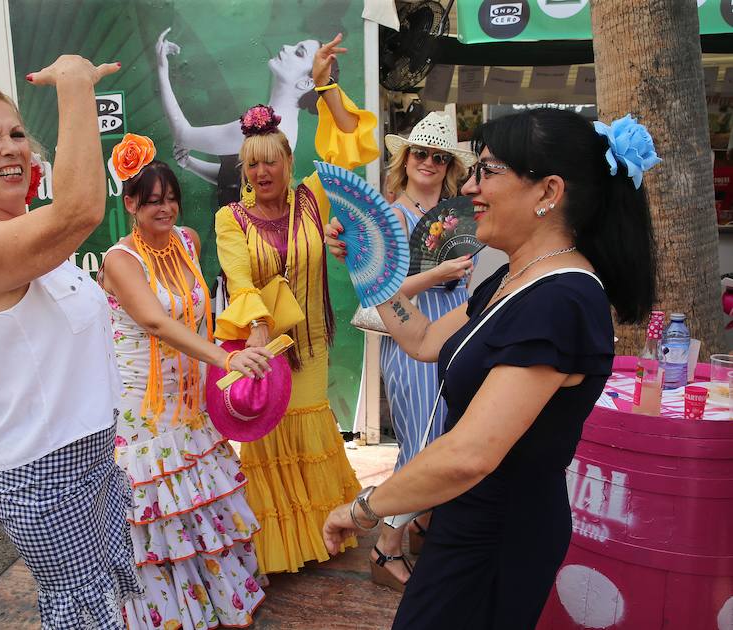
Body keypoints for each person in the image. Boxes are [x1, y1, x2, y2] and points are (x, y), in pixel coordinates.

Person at [322, 108, 659, 628]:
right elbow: (423, 338)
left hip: (500, 532)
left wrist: (364, 510)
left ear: (548, 191)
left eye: (489, 171)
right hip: (467, 520)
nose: (472, 188)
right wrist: (371, 264)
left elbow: (470, 455)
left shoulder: (562, 300)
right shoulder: (512, 277)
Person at [0, 56, 143, 628]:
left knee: (111, 604)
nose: (9, 147)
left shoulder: (30, 240)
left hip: (96, 458)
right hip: (46, 475)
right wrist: (75, 83)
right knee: (82, 616)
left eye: (16, 134)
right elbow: (79, 208)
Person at [213, 34, 378, 574]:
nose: (262, 173)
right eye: (252, 165)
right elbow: (239, 280)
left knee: (309, 425)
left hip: (313, 346)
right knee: (270, 441)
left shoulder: (313, 196)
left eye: (272, 162)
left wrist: (325, 84)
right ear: (244, 169)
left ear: (287, 159)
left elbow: (350, 141)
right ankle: (282, 545)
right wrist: (259, 332)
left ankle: (316, 534)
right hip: (265, 348)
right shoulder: (229, 220)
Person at [98, 147, 274, 628]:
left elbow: (203, 310)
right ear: (131, 203)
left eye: (171, 199)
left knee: (199, 497)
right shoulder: (120, 260)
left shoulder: (188, 241)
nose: (165, 209)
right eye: (152, 200)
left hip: (191, 395)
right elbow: (154, 322)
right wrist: (225, 357)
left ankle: (218, 597)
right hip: (144, 404)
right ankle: (166, 612)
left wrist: (242, 338)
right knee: (158, 506)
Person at [366, 112, 478, 591]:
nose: (428, 161)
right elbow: (379, 288)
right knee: (423, 445)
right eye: (420, 152)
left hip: (454, 339)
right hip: (411, 343)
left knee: (444, 437)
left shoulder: (459, 213)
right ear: (404, 159)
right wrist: (437, 273)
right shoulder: (393, 217)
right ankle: (384, 549)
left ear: (449, 163)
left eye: (438, 155)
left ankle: (423, 523)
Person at [156, 28, 336, 206]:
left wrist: (162, 68)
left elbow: (183, 135)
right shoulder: (281, 123)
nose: (286, 47)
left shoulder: (265, 126)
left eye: (298, 53)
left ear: (306, 83)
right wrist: (189, 163)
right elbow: (238, 181)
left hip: (244, 232)